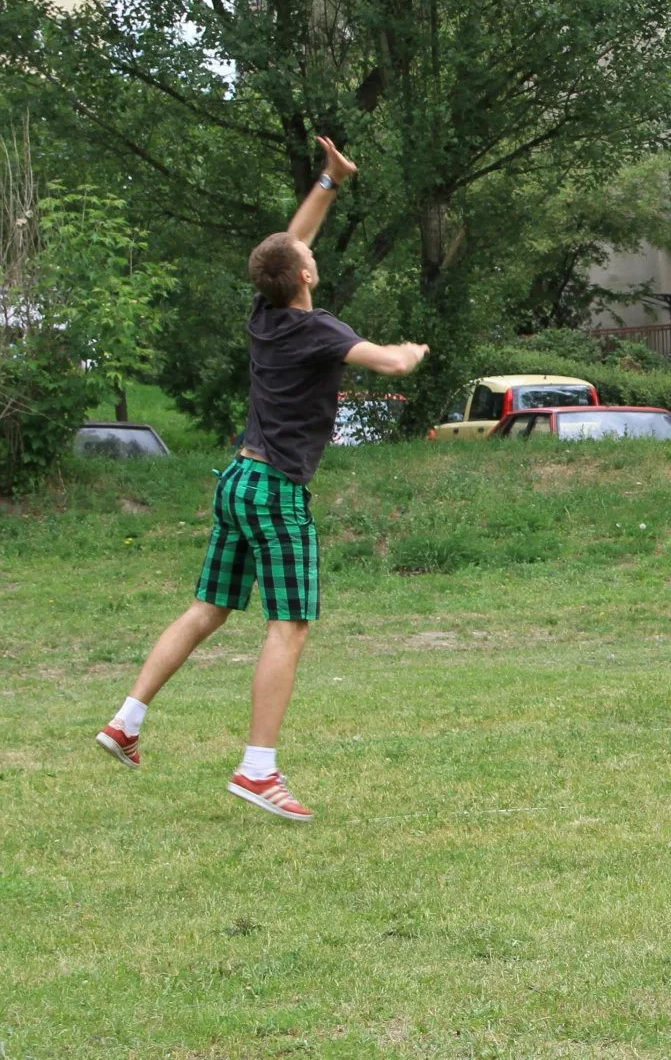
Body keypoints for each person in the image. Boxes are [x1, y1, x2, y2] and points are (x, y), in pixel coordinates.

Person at [94, 137, 429, 821]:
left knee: (207, 609)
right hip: (276, 492)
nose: (312, 253)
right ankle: (257, 768)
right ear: (302, 278)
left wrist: (329, 182)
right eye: (309, 258)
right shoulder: (317, 330)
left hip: (237, 481)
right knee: (291, 624)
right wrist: (409, 351)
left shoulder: (266, 314)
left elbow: (291, 239)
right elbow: (390, 366)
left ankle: (127, 719)